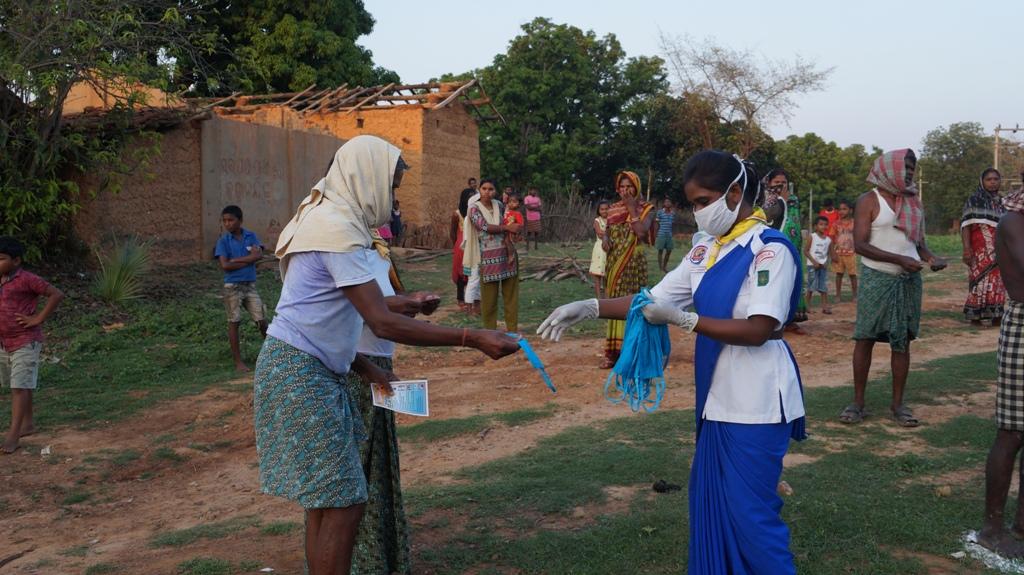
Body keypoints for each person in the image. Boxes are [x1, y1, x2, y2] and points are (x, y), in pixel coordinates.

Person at [254, 136, 519, 575]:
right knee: (342, 503)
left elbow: (328, 315)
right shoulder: (335, 228)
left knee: (329, 501)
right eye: (391, 186)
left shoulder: (332, 221)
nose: (393, 197)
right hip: (302, 374)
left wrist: (366, 365)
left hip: (308, 369)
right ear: (367, 178)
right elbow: (380, 322)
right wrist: (472, 337)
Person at [537, 150, 806, 574]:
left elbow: (758, 330)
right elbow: (653, 300)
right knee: (715, 504)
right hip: (717, 397)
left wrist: (684, 319)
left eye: (703, 202)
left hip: (758, 401)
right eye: (693, 204)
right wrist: (589, 306)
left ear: (734, 193)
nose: (697, 213)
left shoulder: (770, 250)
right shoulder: (706, 252)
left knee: (752, 518)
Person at [345, 232, 440, 574]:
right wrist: (409, 303)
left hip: (380, 363)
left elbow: (392, 305)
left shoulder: (379, 251)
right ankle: (358, 560)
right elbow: (374, 311)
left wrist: (414, 303)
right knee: (358, 464)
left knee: (378, 460)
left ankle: (379, 554)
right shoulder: (343, 248)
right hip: (355, 366)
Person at [840, 148, 946, 427]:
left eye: (912, 167)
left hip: (909, 281)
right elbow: (861, 245)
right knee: (865, 338)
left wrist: (931, 258)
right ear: (889, 168)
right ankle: (858, 403)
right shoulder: (868, 200)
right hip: (877, 278)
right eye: (905, 166)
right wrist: (899, 259)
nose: (909, 172)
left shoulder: (913, 201)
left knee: (903, 341)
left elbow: (918, 244)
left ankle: (898, 405)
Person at [978, 187, 1024, 557]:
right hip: (1022, 328)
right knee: (1011, 432)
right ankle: (991, 528)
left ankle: (1021, 523)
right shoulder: (1013, 221)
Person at [0, 237, 64, 454]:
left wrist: (37, 319)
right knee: (19, 384)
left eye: (1, 259)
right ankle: (28, 424)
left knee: (18, 387)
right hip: (4, 342)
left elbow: (56, 294)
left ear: (16, 260)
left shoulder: (27, 279)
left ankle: (13, 435)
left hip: (25, 340)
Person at [601, 171, 655, 368]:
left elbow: (641, 233)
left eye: (629, 186)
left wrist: (632, 209)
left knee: (632, 304)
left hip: (634, 263)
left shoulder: (647, 209)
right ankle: (612, 353)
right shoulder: (613, 209)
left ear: (636, 187)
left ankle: (632, 352)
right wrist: (605, 240)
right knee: (614, 302)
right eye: (622, 187)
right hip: (614, 262)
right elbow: (606, 230)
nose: (625, 191)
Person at [214, 205, 269, 373]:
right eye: (224, 221)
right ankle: (238, 362)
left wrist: (235, 260)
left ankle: (271, 356)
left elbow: (258, 255)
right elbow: (225, 265)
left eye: (231, 220)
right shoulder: (223, 241)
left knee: (262, 320)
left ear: (240, 220)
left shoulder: (251, 236)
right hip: (232, 287)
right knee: (234, 322)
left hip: (250, 286)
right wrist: (249, 258)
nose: (227, 224)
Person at [466, 179, 521, 332]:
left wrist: (513, 229)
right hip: (488, 258)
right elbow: (483, 226)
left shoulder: (500, 205)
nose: (487, 192)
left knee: (511, 297)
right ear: (479, 190)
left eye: (491, 189)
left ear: (495, 191)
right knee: (489, 300)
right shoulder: (473, 209)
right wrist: (508, 227)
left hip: (508, 253)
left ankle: (512, 330)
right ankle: (490, 333)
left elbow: (509, 222)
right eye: (484, 188)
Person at [764, 168, 809, 331]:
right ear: (769, 183)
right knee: (776, 279)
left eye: (783, 182)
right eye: (777, 182)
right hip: (775, 244)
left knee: (792, 278)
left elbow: (795, 220)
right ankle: (774, 319)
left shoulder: (794, 199)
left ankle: (790, 318)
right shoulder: (767, 200)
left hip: (793, 243)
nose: (780, 185)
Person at [961, 168, 1007, 326]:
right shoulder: (973, 201)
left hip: (1000, 250)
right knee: (978, 281)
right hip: (978, 250)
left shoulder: (1003, 203)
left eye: (996, 179)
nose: (993, 182)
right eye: (989, 179)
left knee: (998, 281)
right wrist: (966, 249)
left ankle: (996, 315)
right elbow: (966, 226)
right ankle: (976, 316)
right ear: (982, 182)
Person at [805, 215, 833, 314]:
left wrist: (827, 263)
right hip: (812, 266)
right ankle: (807, 306)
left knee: (823, 287)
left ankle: (825, 307)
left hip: (823, 267)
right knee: (811, 287)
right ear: (816, 226)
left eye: (826, 225)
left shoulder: (828, 240)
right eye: (821, 224)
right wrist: (814, 262)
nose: (823, 226)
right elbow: (806, 251)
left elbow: (830, 254)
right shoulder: (812, 236)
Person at [831, 200, 858, 301]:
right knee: (839, 274)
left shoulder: (855, 223)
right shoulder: (835, 224)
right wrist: (832, 253)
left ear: (850, 210)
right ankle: (838, 295)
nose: (841, 211)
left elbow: (858, 236)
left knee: (853, 275)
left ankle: (855, 295)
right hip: (838, 253)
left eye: (844, 209)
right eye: (840, 209)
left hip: (851, 253)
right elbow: (832, 239)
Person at [589, 201, 610, 299]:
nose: (604, 211)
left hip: (610, 249)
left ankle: (606, 297)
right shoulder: (597, 220)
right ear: (599, 210)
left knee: (607, 274)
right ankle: (598, 298)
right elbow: (599, 233)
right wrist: (608, 235)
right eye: (602, 209)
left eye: (606, 209)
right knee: (598, 275)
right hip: (600, 250)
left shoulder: (612, 220)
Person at [655, 197, 676, 273]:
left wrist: (673, 233)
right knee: (660, 251)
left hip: (669, 235)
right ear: (664, 204)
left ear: (671, 204)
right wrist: (655, 234)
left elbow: (672, 224)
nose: (667, 203)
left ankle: (664, 267)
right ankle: (660, 267)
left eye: (669, 202)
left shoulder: (673, 213)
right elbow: (657, 224)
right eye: (666, 202)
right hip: (661, 234)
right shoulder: (660, 212)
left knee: (669, 250)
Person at [523, 186, 543, 252]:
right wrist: (536, 208)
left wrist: (533, 208)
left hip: (537, 217)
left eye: (535, 191)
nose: (534, 192)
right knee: (529, 232)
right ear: (530, 191)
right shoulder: (527, 198)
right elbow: (528, 207)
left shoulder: (538, 199)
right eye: (532, 190)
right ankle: (527, 246)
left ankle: (536, 246)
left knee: (536, 232)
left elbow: (540, 207)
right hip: (530, 217)